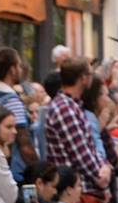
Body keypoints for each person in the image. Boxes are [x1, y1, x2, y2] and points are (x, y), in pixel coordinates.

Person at [45, 57, 112, 194]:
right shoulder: (65, 109)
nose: (92, 78)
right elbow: (80, 154)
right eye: (91, 74)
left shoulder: (73, 105)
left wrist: (104, 166)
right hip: (73, 190)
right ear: (83, 78)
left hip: (82, 187)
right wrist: (101, 176)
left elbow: (90, 146)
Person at [0, 46, 38, 181]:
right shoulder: (11, 100)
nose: (21, 69)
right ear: (12, 70)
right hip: (14, 171)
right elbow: (24, 144)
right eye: (19, 65)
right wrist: (40, 171)